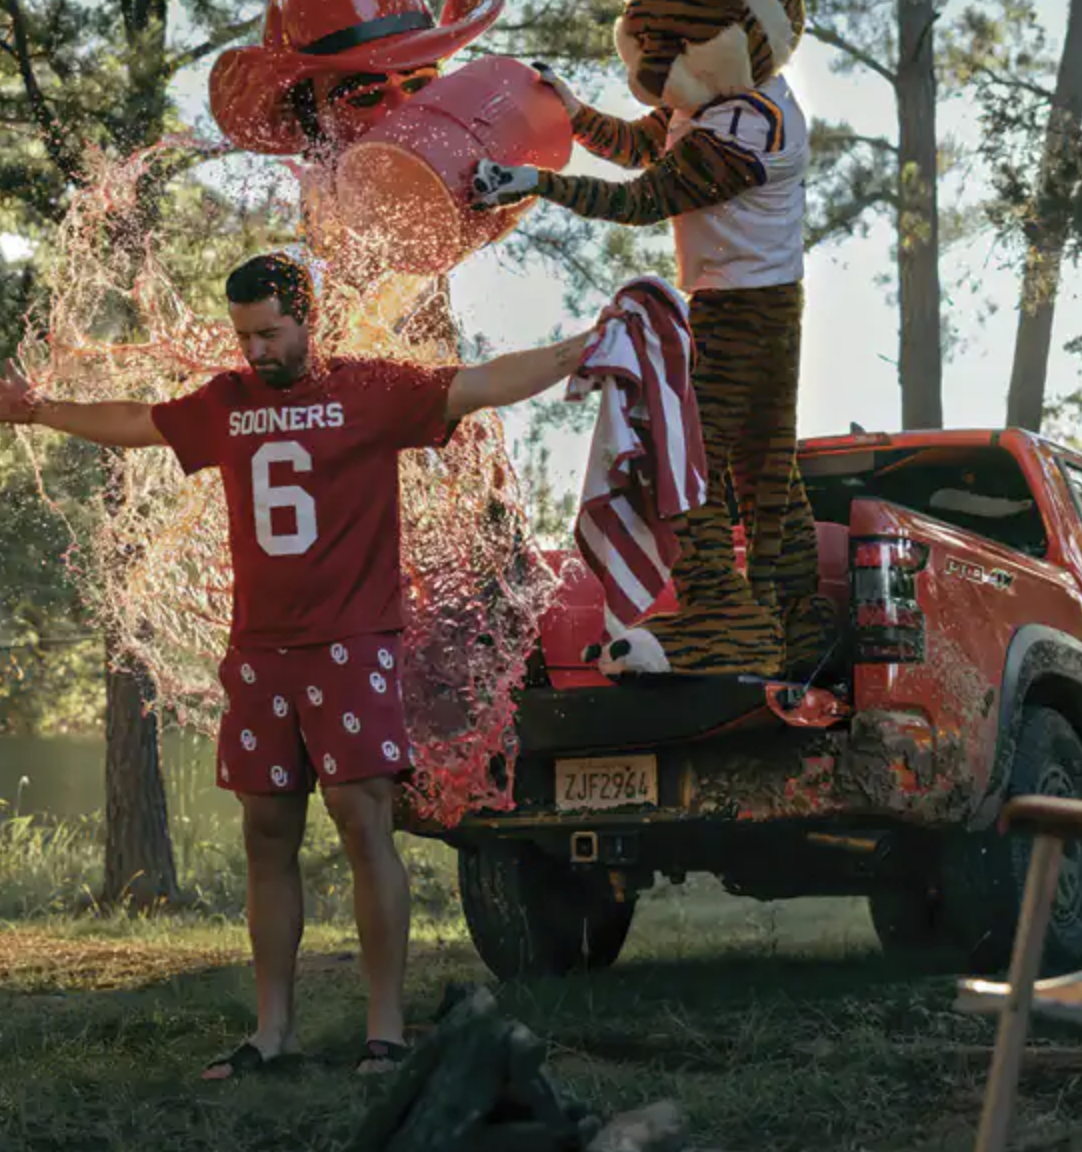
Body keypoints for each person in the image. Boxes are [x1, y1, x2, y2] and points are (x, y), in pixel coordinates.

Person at [0, 251, 592, 1079]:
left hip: (353, 643)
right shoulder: (227, 403)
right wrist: (37, 413)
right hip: (259, 652)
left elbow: (478, 384)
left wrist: (577, 352)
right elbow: (140, 422)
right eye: (244, 336)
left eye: (270, 333)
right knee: (264, 832)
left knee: (361, 818)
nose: (255, 351)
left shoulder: (370, 390)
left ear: (308, 319)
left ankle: (384, 1028)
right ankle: (270, 1030)